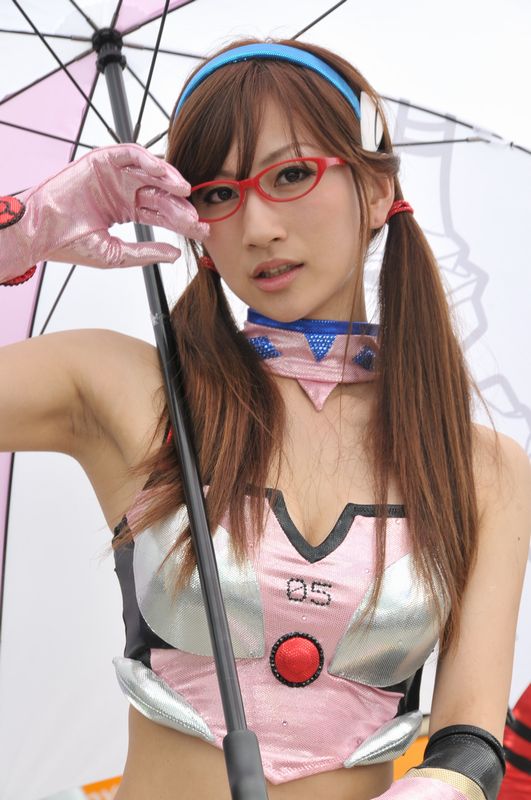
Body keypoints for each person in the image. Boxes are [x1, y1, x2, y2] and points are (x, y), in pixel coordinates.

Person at [0, 37, 530, 800]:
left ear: (375, 189)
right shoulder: (121, 387)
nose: (256, 227)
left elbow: (470, 739)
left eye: (290, 175)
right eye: (217, 194)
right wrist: (21, 229)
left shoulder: (480, 466)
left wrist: (438, 788)